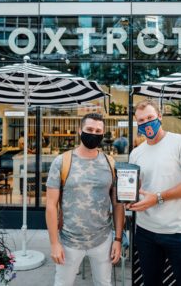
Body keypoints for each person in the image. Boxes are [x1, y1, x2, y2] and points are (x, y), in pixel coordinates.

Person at [127, 99, 181, 286]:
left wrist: (158, 198)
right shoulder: (136, 154)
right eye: (141, 121)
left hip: (180, 231)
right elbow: (136, 189)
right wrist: (128, 198)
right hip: (146, 232)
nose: (146, 123)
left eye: (150, 118)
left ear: (160, 117)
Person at [46, 113, 125, 286]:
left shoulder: (110, 162)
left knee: (104, 283)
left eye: (98, 131)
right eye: (89, 129)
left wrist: (118, 239)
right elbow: (51, 205)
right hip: (69, 241)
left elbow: (117, 204)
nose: (94, 134)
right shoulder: (62, 162)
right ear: (79, 130)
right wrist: (54, 243)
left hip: (102, 240)